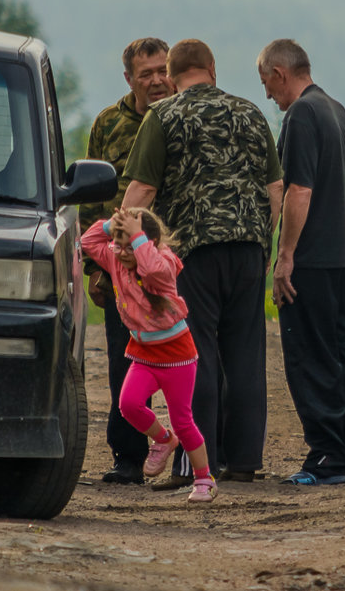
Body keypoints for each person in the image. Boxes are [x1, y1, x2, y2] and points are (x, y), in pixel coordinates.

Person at [122, 38, 283, 490]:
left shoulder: (164, 116)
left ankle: (198, 463)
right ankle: (245, 460)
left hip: (193, 254)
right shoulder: (251, 112)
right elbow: (276, 188)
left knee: (196, 357)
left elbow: (141, 191)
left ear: (171, 77)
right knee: (246, 355)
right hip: (248, 249)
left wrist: (120, 245)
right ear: (212, 68)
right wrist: (262, 242)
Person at [256, 37, 345, 486]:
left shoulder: (302, 115)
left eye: (266, 81)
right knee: (340, 352)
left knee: (309, 356)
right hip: (342, 253)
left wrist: (284, 257)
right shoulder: (337, 111)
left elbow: (298, 191)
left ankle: (327, 455)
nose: (267, 93)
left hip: (313, 259)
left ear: (280, 74)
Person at [79, 37, 174, 485]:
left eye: (163, 70)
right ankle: (129, 457)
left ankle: (186, 455)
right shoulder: (109, 124)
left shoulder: (184, 116)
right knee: (125, 361)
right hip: (120, 268)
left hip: (170, 265)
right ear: (129, 79)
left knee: (181, 362)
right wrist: (94, 268)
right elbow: (92, 200)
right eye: (146, 74)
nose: (157, 81)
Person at [80, 206, 217, 503]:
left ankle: (204, 479)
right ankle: (164, 439)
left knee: (184, 420)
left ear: (149, 243)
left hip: (176, 353)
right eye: (119, 245)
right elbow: (88, 243)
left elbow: (154, 269)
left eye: (131, 246)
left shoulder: (162, 262)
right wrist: (111, 226)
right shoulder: (116, 261)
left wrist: (137, 236)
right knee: (128, 404)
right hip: (143, 351)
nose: (122, 252)